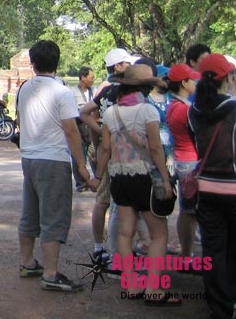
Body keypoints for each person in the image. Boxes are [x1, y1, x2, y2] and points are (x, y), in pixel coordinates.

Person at [91, 63, 177, 305]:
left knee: (124, 233)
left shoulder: (111, 113)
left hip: (119, 178)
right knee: (159, 234)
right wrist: (165, 178)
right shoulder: (147, 112)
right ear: (144, 88)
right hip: (145, 178)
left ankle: (131, 284)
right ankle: (153, 288)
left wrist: (98, 177)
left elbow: (105, 148)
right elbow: (155, 148)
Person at [17, 40, 91, 292]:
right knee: (54, 216)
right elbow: (71, 130)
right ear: (57, 63)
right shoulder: (62, 92)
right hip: (53, 158)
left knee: (30, 211)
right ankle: (50, 273)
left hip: (29, 157)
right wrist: (82, 165)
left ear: (32, 62)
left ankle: (27, 262)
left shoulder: (24, 88)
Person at [187, 54, 236, 319]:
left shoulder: (193, 111)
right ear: (228, 77)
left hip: (206, 190)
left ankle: (219, 308)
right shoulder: (235, 107)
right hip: (234, 187)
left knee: (213, 249)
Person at [78, 48, 137, 263]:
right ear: (119, 66)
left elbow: (85, 112)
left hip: (107, 150)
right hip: (125, 154)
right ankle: (117, 251)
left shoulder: (106, 92)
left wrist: (100, 131)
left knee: (104, 200)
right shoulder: (126, 92)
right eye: (127, 64)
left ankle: (100, 246)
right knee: (119, 202)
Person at [165, 63, 200, 262]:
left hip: (182, 159)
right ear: (184, 83)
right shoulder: (184, 110)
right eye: (192, 80)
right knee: (189, 213)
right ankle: (187, 256)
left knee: (187, 212)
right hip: (189, 162)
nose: (195, 83)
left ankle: (187, 253)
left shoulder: (175, 105)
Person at [72, 66, 95, 192]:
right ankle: (81, 183)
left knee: (94, 154)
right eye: (91, 78)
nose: (93, 80)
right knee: (78, 156)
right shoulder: (72, 92)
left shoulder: (95, 91)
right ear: (83, 78)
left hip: (91, 126)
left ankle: (97, 180)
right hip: (78, 126)